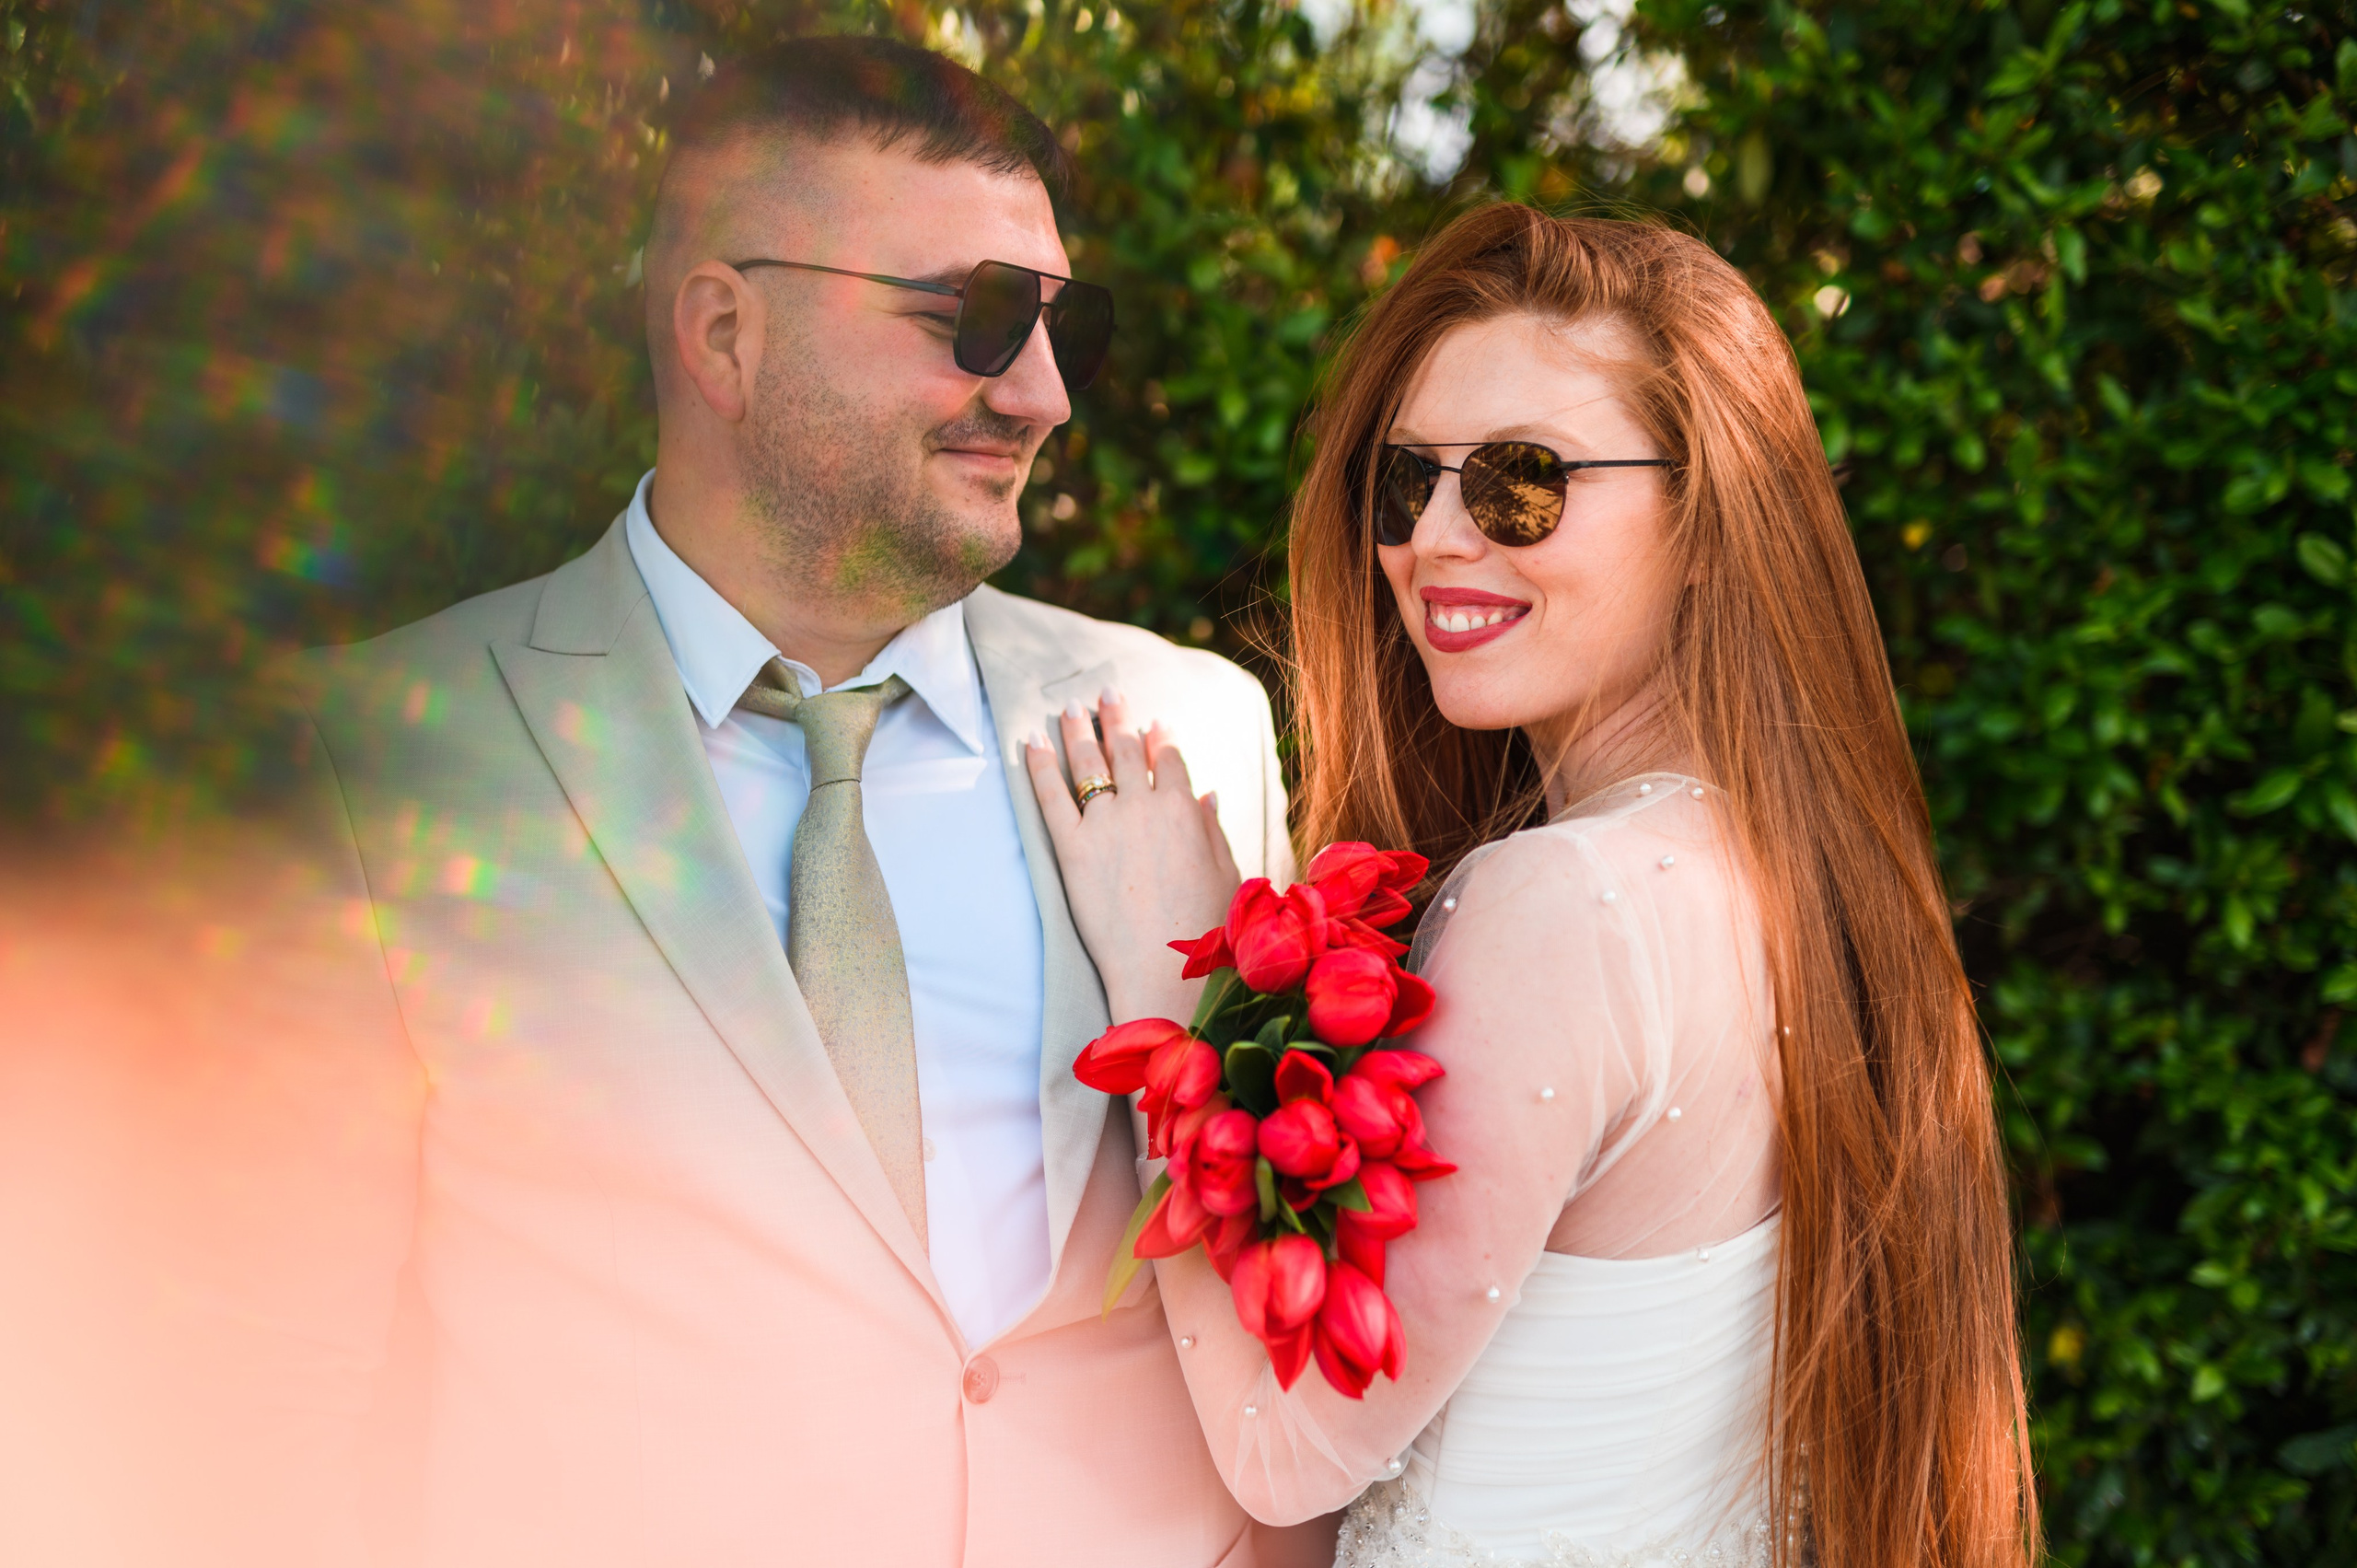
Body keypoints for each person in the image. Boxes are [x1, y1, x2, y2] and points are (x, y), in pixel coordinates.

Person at [17, 36, 1333, 1568]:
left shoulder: (1192, 728)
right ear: (723, 332)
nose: (1038, 393)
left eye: (1061, 325)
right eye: (972, 317)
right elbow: (270, 1403)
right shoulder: (372, 757)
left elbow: (1265, 1326)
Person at [1032, 205, 2037, 1567]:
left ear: (1706, 515)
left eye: (1522, 482)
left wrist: (1181, 996)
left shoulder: (1568, 904)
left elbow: (1287, 1451)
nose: (1436, 539)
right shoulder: (1797, 880)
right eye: (1406, 482)